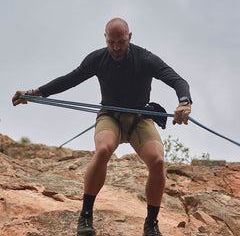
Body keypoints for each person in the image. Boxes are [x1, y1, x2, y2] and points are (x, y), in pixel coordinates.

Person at [12, 18, 192, 236]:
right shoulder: (97, 59)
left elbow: (178, 80)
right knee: (104, 149)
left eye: (121, 42)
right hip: (110, 116)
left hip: (139, 117)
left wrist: (184, 102)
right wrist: (34, 93)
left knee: (158, 161)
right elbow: (69, 79)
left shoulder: (145, 58)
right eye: (112, 42)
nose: (116, 47)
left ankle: (151, 224)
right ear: (105, 38)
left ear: (130, 37)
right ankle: (85, 216)